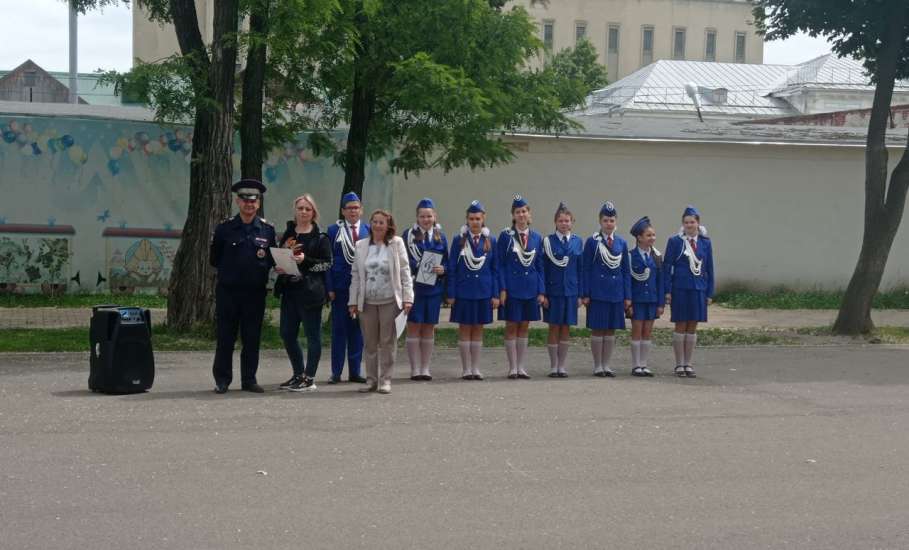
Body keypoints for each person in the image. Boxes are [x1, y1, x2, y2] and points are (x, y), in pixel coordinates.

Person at [209, 179, 276, 394]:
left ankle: (249, 379)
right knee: (225, 337)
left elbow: (273, 259)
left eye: (253, 200)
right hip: (229, 292)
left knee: (252, 337)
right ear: (238, 201)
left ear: (258, 203)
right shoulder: (225, 228)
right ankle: (222, 380)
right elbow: (214, 258)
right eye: (245, 200)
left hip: (254, 294)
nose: (249, 204)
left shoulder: (267, 230)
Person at [348, 210, 414, 394]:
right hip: (367, 302)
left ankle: (385, 380)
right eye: (374, 222)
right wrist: (352, 301)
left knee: (387, 342)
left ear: (388, 226)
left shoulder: (396, 243)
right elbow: (355, 276)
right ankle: (371, 380)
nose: (377, 225)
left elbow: (405, 271)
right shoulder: (360, 245)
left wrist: (408, 298)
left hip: (390, 301)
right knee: (369, 343)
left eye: (381, 223)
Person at [275, 194, 332, 392]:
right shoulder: (289, 234)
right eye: (300, 208)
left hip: (310, 293)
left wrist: (305, 261)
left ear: (313, 212)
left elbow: (326, 264)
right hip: (290, 291)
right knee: (287, 334)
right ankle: (298, 374)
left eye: (308, 209)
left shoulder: (320, 237)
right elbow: (281, 254)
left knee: (312, 336)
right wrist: (280, 266)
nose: (304, 212)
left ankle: (309, 378)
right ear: (295, 211)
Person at [447, 200, 500, 380]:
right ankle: (465, 368)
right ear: (467, 220)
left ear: (483, 219)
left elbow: (495, 269)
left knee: (478, 329)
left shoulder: (490, 240)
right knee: (464, 329)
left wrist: (495, 294)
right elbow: (452, 267)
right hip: (463, 292)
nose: (475, 222)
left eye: (478, 218)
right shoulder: (459, 240)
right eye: (471, 218)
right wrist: (451, 293)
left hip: (483, 291)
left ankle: (475, 368)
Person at [497, 194, 545, 379]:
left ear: (529, 213)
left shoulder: (536, 237)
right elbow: (500, 264)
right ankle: (512, 367)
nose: (522, 215)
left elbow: (540, 266)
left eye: (524, 211)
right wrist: (502, 288)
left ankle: (521, 366)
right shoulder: (506, 236)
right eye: (518, 212)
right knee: (511, 325)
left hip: (530, 288)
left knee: (524, 326)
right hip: (512, 287)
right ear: (513, 215)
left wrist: (541, 290)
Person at [663, 205, 714, 378]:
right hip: (680, 288)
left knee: (692, 326)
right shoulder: (675, 241)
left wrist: (709, 293)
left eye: (692, 222)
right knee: (681, 324)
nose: (689, 225)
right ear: (682, 224)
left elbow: (709, 269)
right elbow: (667, 266)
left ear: (698, 223)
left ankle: (688, 363)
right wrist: (667, 290)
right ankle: (679, 364)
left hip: (698, 288)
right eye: (686, 222)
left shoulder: (705, 242)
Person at [581, 201, 631, 377]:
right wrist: (585, 293)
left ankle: (607, 364)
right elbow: (585, 268)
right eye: (605, 220)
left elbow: (625, 271)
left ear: (616, 221)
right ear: (600, 222)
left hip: (616, 292)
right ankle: (597, 365)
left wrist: (627, 296)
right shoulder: (593, 242)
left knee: (611, 329)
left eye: (611, 220)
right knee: (598, 328)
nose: (609, 223)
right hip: (598, 292)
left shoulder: (621, 243)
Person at [326, 192, 370, 384]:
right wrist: (330, 287)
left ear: (361, 210)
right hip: (341, 287)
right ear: (343, 211)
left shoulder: (368, 231)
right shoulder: (333, 230)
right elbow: (328, 261)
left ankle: (355, 371)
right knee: (339, 330)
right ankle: (336, 372)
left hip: (362, 289)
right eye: (349, 208)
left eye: (356, 207)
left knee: (357, 331)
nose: (353, 211)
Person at [402, 198, 449, 381]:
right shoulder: (408, 235)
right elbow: (403, 259)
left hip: (434, 290)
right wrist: (418, 266)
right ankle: (414, 369)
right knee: (413, 327)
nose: (426, 219)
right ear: (417, 217)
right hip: (415, 289)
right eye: (422, 216)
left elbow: (447, 261)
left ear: (435, 216)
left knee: (429, 327)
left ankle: (425, 367)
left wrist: (443, 269)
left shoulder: (440, 236)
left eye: (429, 216)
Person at [542, 202, 583, 378]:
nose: (564, 224)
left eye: (567, 221)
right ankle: (553, 365)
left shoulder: (577, 241)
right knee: (553, 327)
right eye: (561, 220)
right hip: (554, 291)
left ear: (572, 222)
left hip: (571, 291)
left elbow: (580, 269)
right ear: (555, 222)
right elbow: (543, 268)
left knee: (566, 328)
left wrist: (581, 294)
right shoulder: (548, 241)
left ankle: (562, 365)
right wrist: (543, 293)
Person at [628, 216, 664, 377]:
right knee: (637, 330)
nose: (652, 238)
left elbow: (660, 282)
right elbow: (628, 281)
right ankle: (636, 365)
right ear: (639, 237)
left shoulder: (656, 256)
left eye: (653, 235)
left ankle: (644, 364)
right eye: (648, 235)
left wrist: (661, 303)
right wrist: (628, 302)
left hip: (652, 299)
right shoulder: (630, 256)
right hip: (637, 300)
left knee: (648, 331)